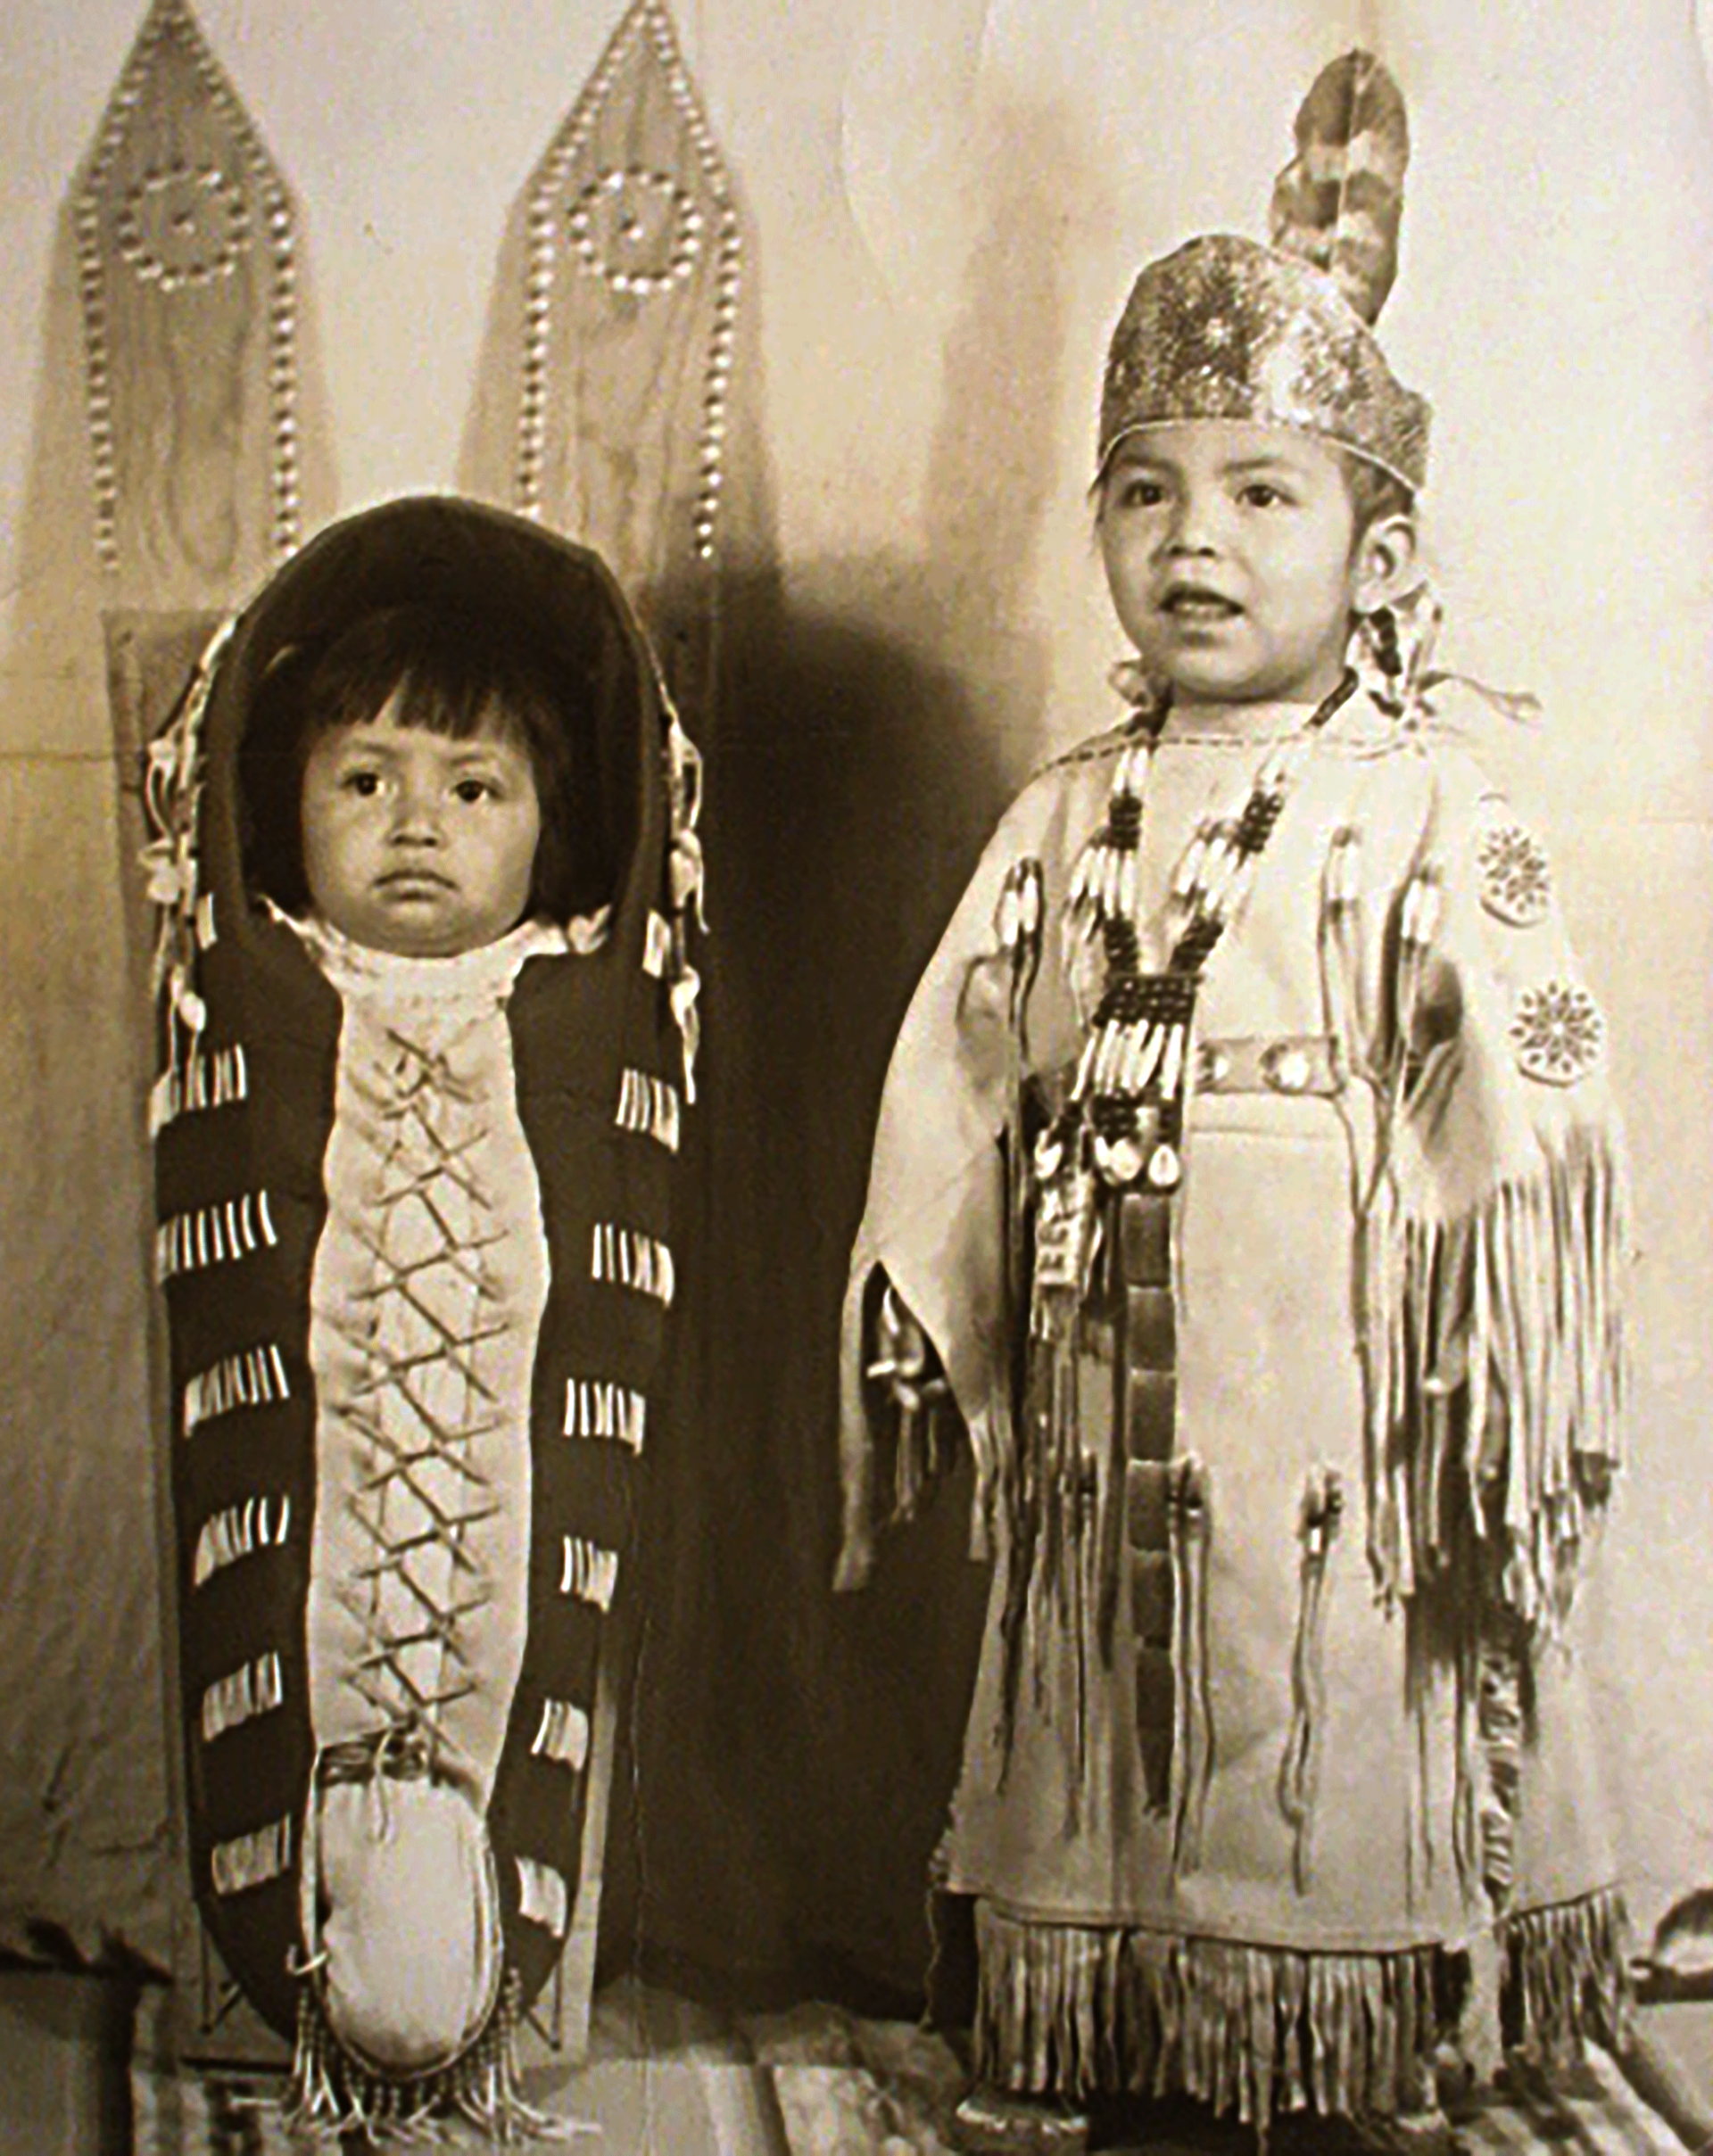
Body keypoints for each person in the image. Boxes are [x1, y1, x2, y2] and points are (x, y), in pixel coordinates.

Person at [837, 53, 1629, 2148]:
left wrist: (1497, 1325)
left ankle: (1330, 2036)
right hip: (1111, 1369)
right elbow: (959, 1057)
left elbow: (1539, 1066)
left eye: (1265, 492)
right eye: (1147, 490)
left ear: (1378, 550)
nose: (1196, 540)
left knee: (1322, 1670)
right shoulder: (1065, 814)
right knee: (1105, 1683)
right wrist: (923, 1283)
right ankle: (1123, 2015)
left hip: (1338, 1372)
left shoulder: (1436, 802)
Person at [142, 497, 703, 2135]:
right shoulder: (251, 991)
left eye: (475, 791)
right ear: (284, 802)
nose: (415, 826)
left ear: (551, 821)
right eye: (363, 781)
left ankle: (468, 1915)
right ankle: (313, 1914)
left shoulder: (589, 1002)